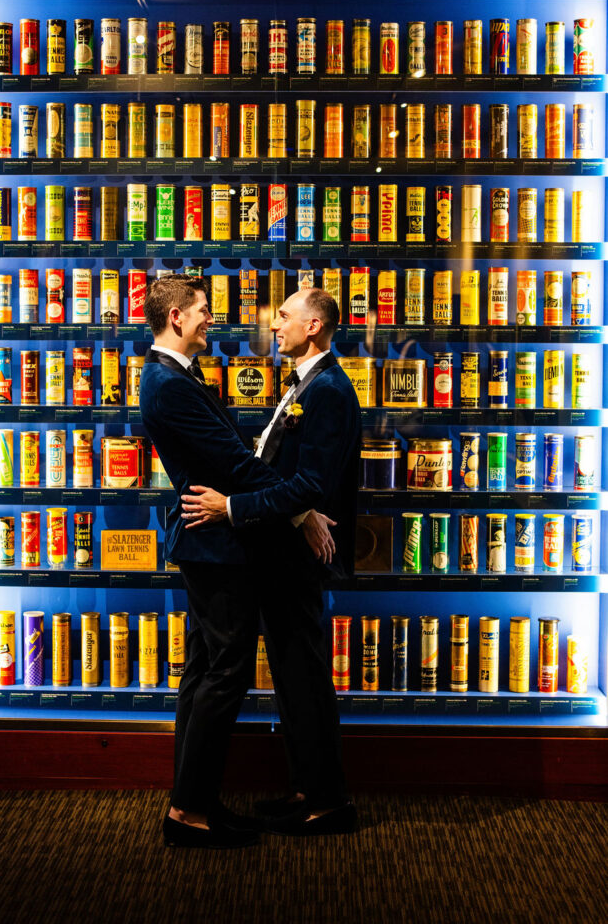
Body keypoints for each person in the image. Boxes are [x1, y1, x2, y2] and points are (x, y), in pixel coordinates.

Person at [138, 274, 337, 849]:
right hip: (215, 546)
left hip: (212, 541)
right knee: (223, 674)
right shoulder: (169, 382)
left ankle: (192, 801)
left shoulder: (175, 374)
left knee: (203, 671)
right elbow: (233, 459)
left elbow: (232, 455)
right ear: (176, 317)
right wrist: (301, 512)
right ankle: (190, 812)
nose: (210, 320)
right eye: (202, 310)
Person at [182, 287, 361, 836]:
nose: (274, 323)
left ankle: (329, 802)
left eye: (284, 316)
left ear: (313, 326)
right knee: (293, 673)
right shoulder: (308, 382)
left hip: (298, 557)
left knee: (304, 673)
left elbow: (309, 483)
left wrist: (232, 507)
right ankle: (310, 789)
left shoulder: (327, 389)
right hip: (285, 550)